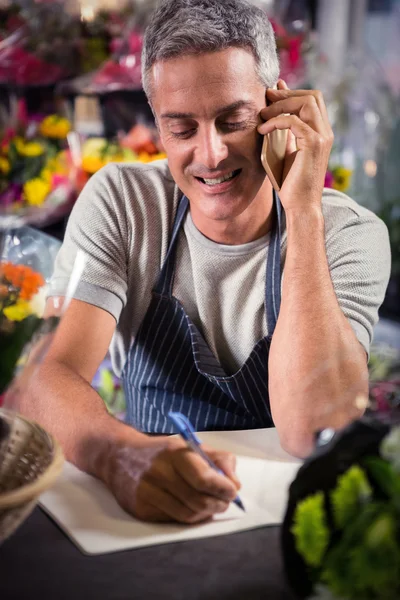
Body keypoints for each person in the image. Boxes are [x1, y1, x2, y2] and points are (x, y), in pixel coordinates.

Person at [14, 0, 391, 524]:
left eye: (232, 120)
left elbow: (314, 429)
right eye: (182, 129)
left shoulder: (349, 234)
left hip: (281, 529)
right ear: (158, 129)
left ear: (277, 108)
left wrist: (303, 210)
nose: (211, 154)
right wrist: (119, 454)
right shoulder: (124, 204)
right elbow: (42, 375)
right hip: (146, 517)